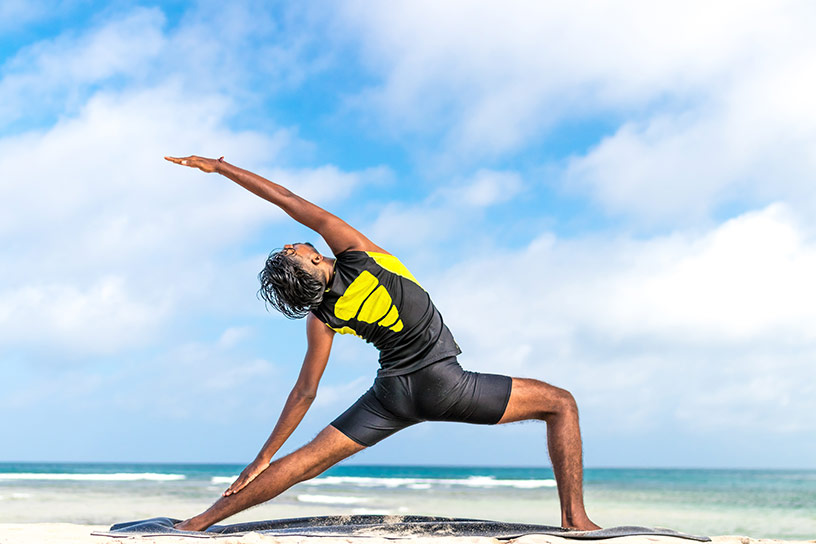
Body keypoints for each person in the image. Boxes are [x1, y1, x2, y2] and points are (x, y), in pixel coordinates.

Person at [164, 155, 600, 532]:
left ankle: (197, 522)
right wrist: (220, 167)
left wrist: (261, 458)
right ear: (316, 258)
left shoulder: (323, 316)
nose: (290, 243)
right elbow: (288, 200)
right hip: (444, 383)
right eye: (291, 251)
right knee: (560, 403)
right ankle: (575, 519)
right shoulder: (358, 254)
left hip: (390, 396)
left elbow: (305, 391)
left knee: (305, 463)